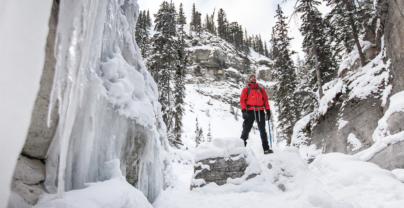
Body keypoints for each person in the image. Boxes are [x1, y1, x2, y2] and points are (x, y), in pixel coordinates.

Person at [240, 75, 273, 154]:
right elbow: (242, 101)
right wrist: (244, 111)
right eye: (251, 77)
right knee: (246, 129)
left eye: (254, 77)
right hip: (250, 111)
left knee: (262, 130)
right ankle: (241, 148)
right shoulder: (246, 89)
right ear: (249, 79)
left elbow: (265, 100)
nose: (253, 78)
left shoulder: (261, 89)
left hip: (260, 110)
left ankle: (266, 149)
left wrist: (267, 110)